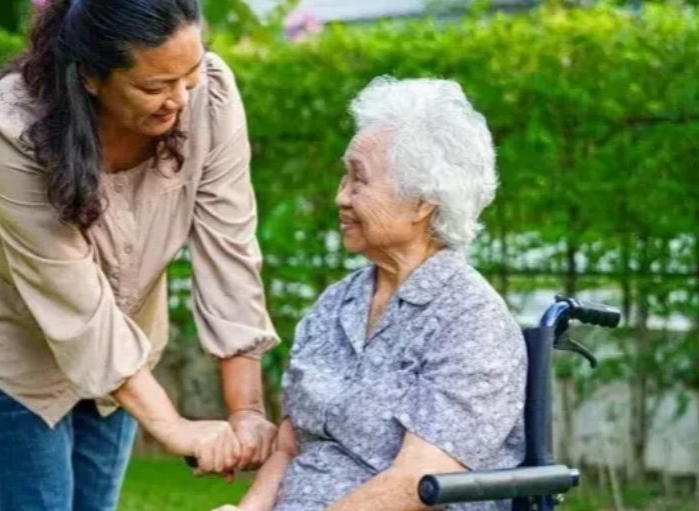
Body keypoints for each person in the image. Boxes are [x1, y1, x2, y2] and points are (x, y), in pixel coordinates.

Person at [0, 0, 281, 511]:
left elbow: (230, 252)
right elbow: (74, 304)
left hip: (127, 340)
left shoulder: (209, 98)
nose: (180, 100)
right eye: (155, 86)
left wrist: (245, 410)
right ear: (91, 78)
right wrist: (173, 427)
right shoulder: (10, 127)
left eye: (189, 76)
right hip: (15, 341)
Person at [212, 77, 527, 511]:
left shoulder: (472, 322)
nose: (340, 196)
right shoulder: (337, 304)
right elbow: (288, 448)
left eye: (358, 181)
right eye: (345, 176)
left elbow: (414, 483)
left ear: (422, 202)